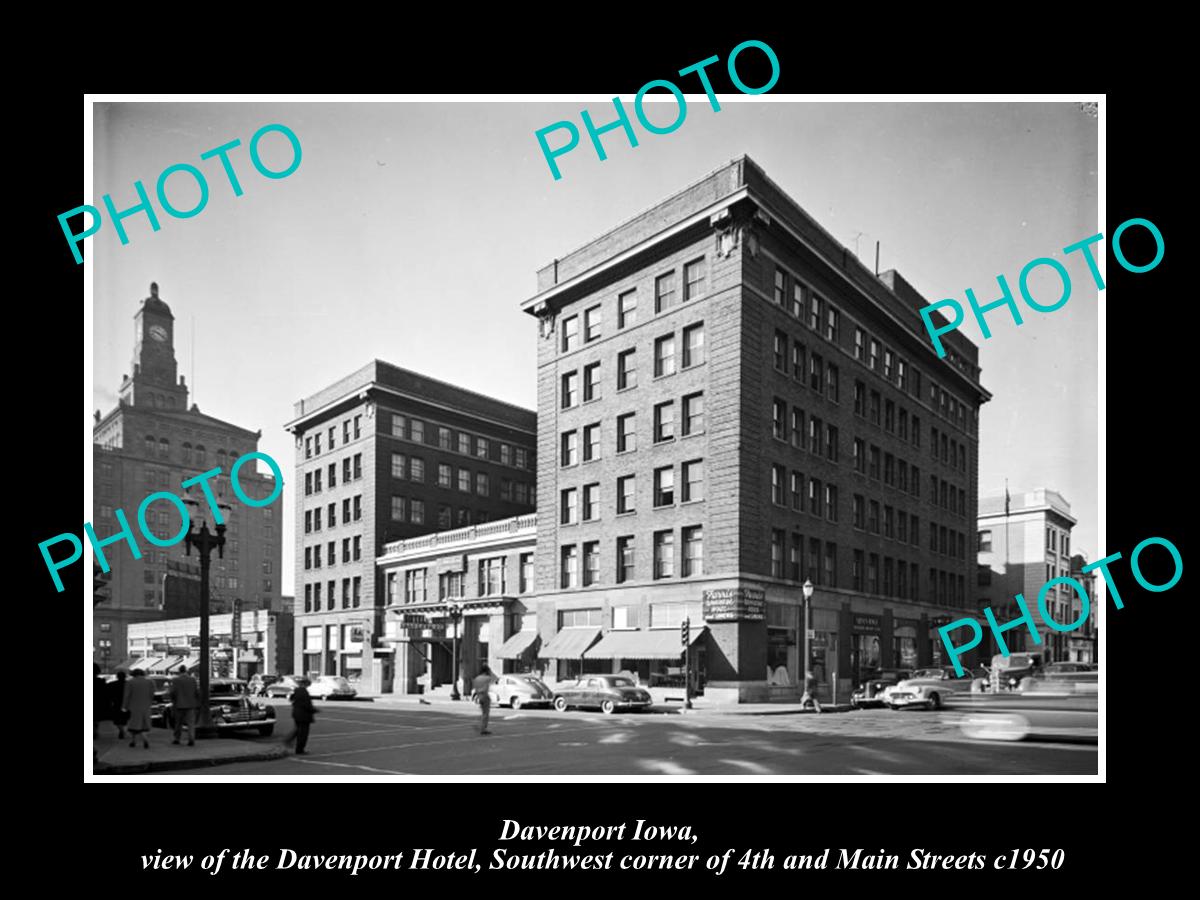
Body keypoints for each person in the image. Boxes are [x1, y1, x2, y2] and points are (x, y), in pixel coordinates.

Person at [122, 669, 156, 749]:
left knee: (134, 725)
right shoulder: (149, 682)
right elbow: (152, 694)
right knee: (143, 725)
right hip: (146, 706)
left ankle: (134, 741)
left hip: (134, 706)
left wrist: (124, 707)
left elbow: (127, 696)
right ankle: (145, 739)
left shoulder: (130, 682)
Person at [169, 665, 200, 746]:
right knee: (191, 724)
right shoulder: (192, 680)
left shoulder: (175, 680)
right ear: (186, 671)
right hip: (190, 705)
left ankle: (177, 739)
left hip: (179, 704)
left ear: (179, 671)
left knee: (178, 723)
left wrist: (173, 701)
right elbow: (196, 692)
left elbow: (172, 693)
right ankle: (191, 739)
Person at [284, 677, 317, 755]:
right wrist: (314, 710)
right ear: (305, 684)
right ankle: (299, 749)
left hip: (296, 714)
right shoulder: (304, 692)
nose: (308, 686)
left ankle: (289, 740)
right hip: (303, 715)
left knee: (298, 730)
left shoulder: (296, 690)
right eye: (308, 684)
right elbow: (306, 705)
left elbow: (291, 699)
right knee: (303, 733)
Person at [471, 664, 497, 735]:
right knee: (486, 713)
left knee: (483, 712)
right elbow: (495, 679)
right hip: (485, 696)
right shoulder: (487, 678)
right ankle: (483, 728)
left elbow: (475, 688)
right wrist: (490, 672)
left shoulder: (477, 678)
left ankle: (480, 725)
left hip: (479, 696)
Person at [107, 670, 130, 739]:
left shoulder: (112, 684)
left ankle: (121, 730)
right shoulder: (129, 684)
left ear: (117, 677)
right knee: (125, 719)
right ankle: (123, 730)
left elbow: (108, 695)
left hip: (116, 704)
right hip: (126, 704)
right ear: (125, 677)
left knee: (117, 719)